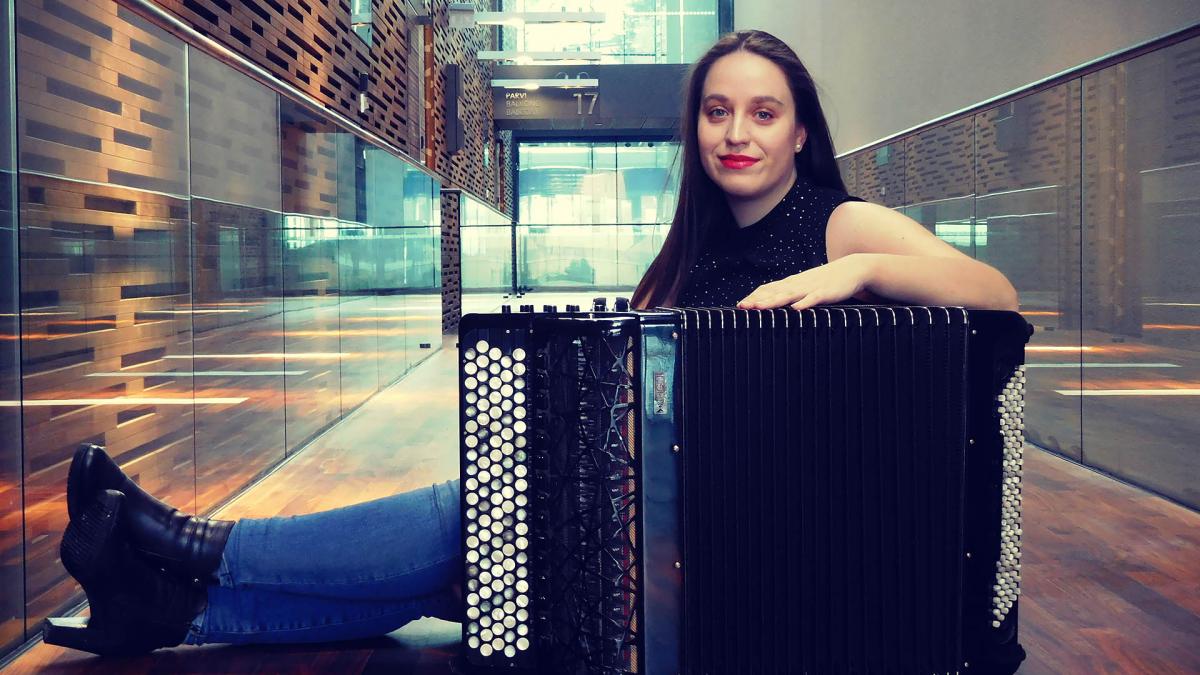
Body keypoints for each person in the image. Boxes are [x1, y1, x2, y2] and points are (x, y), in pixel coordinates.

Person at [44, 29, 1018, 656]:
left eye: (763, 112)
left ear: (801, 131)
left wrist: (861, 270)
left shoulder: (836, 224)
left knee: (469, 518)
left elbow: (993, 293)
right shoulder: (695, 246)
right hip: (670, 534)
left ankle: (184, 546)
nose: (737, 131)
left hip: (736, 556)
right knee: (466, 564)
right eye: (717, 110)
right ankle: (171, 611)